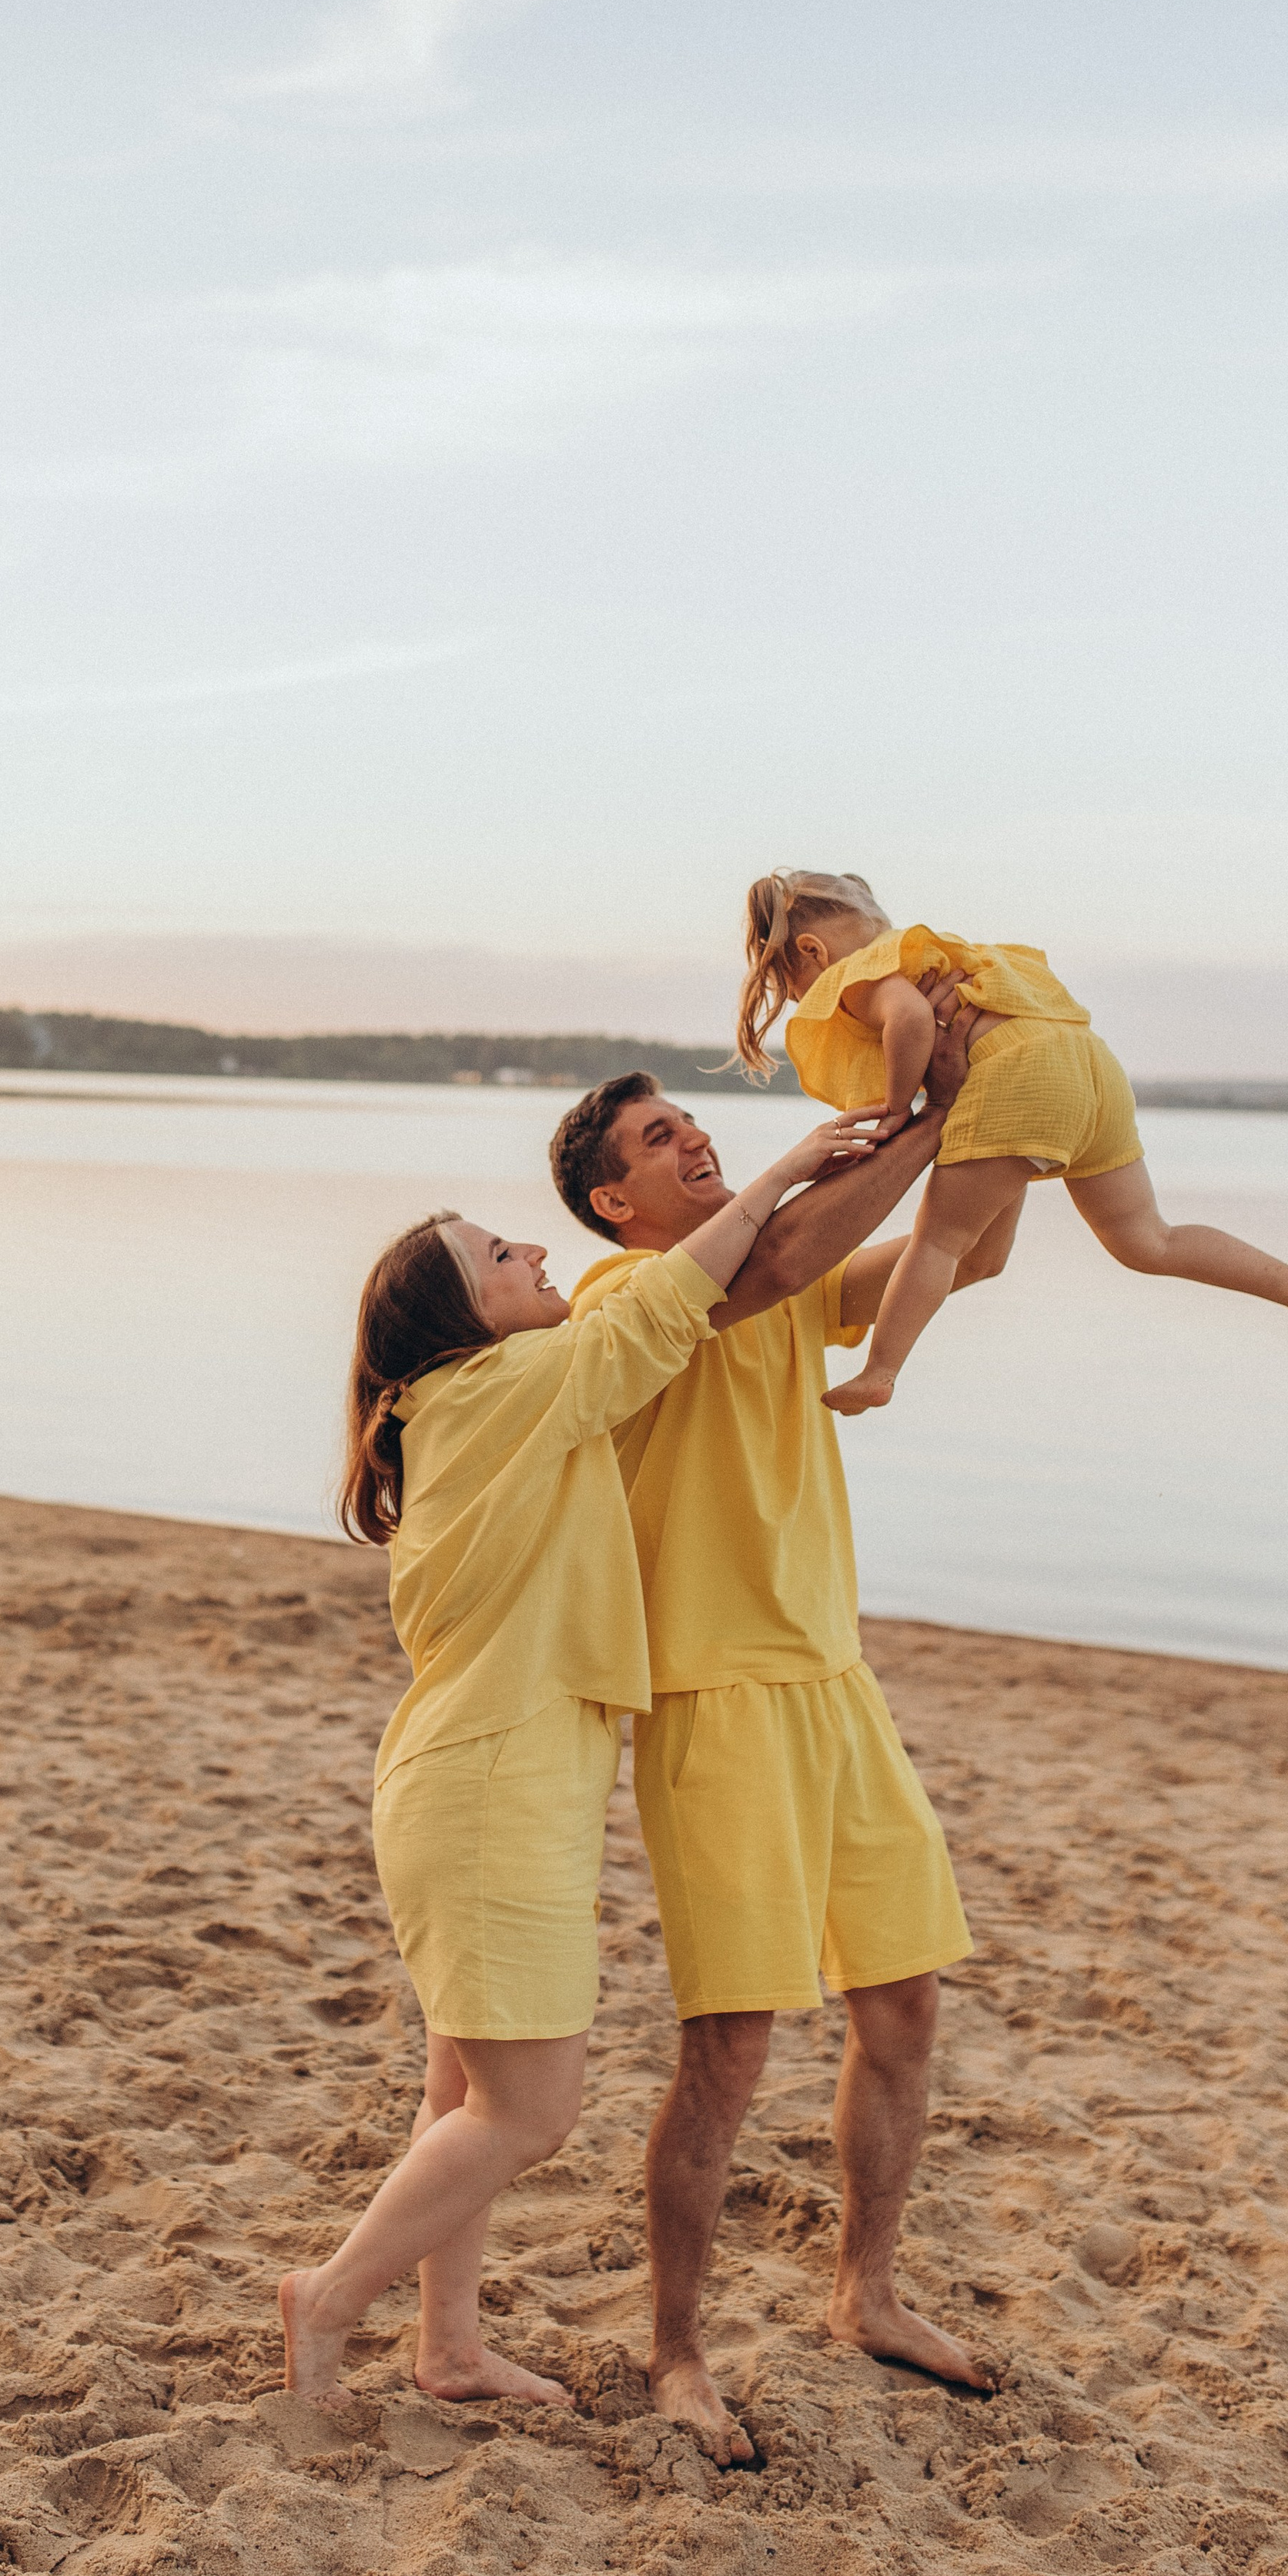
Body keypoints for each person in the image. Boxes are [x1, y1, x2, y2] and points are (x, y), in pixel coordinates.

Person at [279, 1111, 876, 2407]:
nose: (534, 1252)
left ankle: (449, 2347)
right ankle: (327, 2298)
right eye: (502, 1255)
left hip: (471, 1780)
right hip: (491, 1794)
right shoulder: (502, 1388)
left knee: (464, 2086)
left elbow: (656, 1319)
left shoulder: (465, 1402)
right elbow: (660, 1310)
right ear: (464, 1316)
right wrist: (787, 1170)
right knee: (531, 2113)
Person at [549, 990, 999, 2461]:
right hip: (715, 1699)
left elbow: (967, 1252)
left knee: (906, 2006)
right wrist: (908, 1121)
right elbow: (779, 1258)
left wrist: (1005, 1114)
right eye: (656, 1139)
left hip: (834, 1682)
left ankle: (865, 2293)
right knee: (732, 2050)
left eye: (692, 1121)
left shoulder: (783, 1275)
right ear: (613, 1201)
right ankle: (677, 2353)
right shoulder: (624, 1298)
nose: (691, 1139)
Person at [734, 868, 1288, 1415]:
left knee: (940, 1240)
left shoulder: (859, 973)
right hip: (1091, 1070)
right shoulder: (943, 956)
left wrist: (898, 1111)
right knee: (1147, 1239)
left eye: (795, 989)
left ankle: (881, 1369)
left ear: (812, 951)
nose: (804, 1001)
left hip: (1022, 1077)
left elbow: (913, 1020)